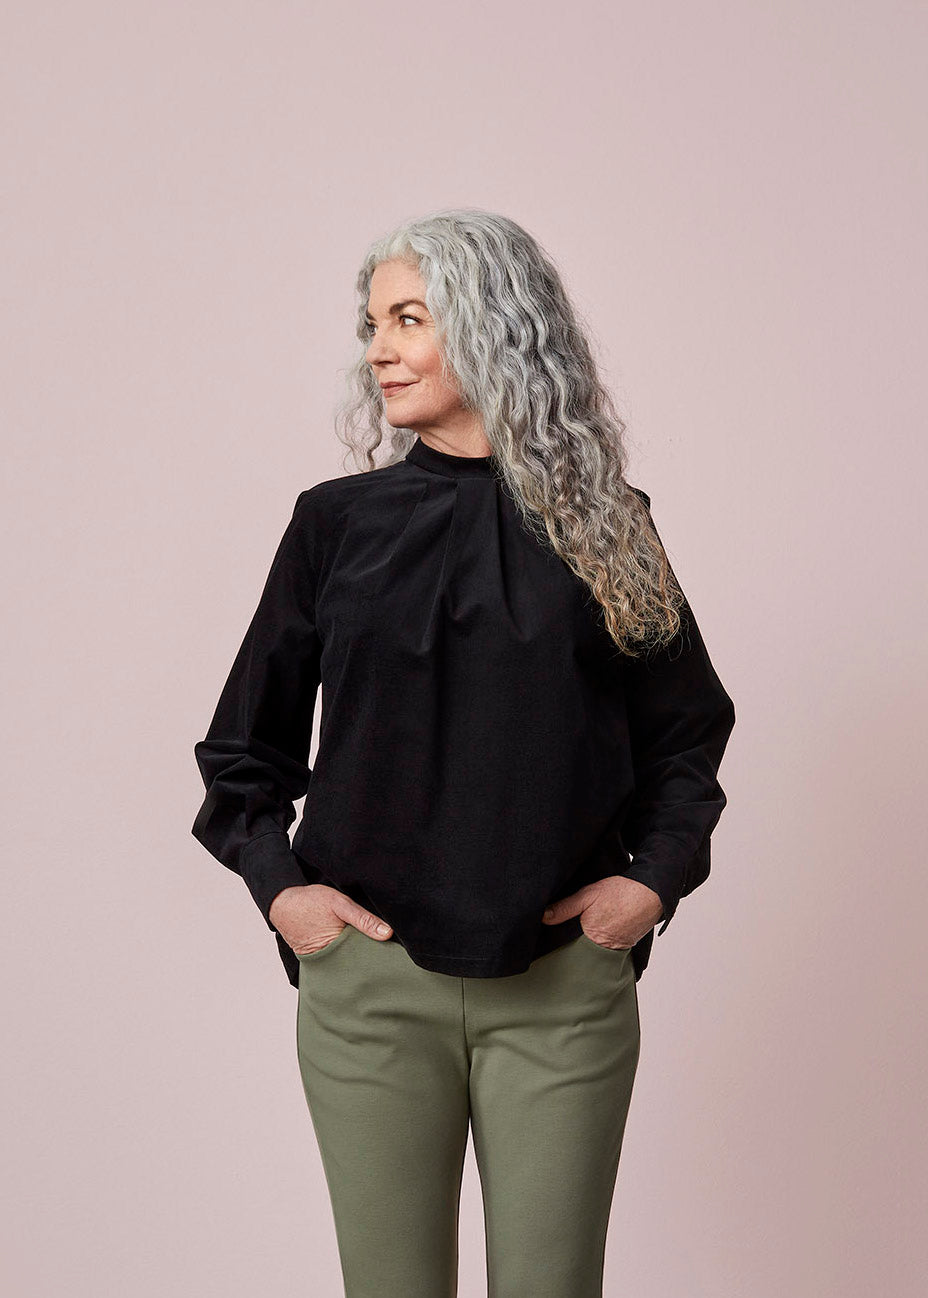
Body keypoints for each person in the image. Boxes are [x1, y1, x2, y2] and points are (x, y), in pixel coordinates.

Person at [191, 208, 736, 1298]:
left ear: (494, 326)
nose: (378, 350)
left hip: (562, 988)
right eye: (372, 325)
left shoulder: (606, 529)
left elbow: (687, 735)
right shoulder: (333, 525)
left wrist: (647, 886)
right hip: (368, 990)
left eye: (409, 319)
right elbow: (243, 749)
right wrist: (286, 897)